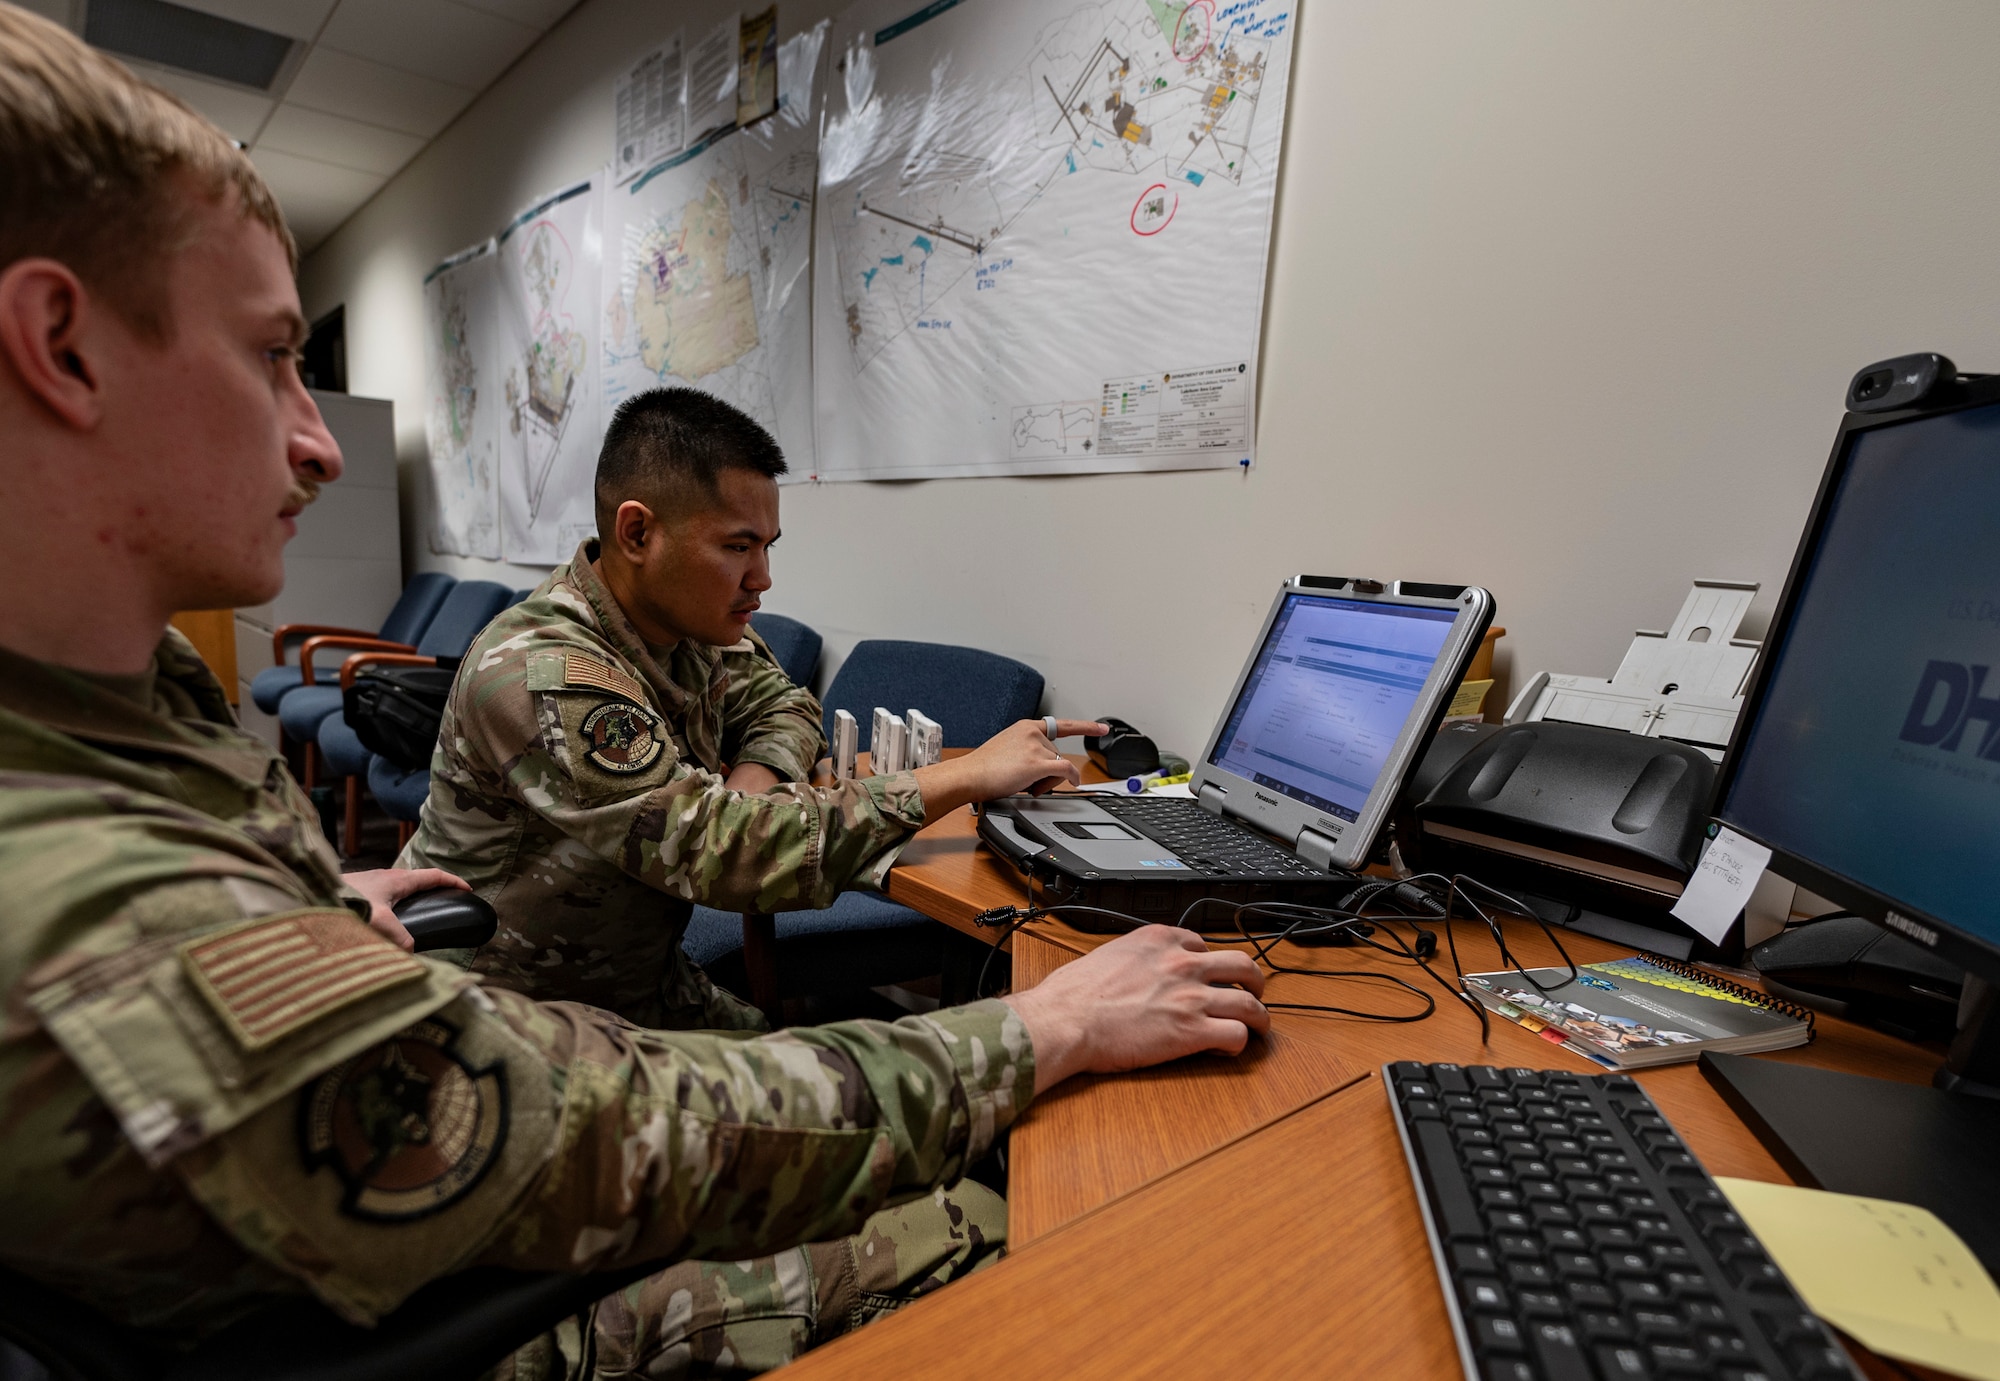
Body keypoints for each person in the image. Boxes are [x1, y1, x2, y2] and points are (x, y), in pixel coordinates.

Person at [0, 8, 1270, 1376]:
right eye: (269, 357)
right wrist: (1036, 1016)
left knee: (901, 1081)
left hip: (568, 1023)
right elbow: (621, 1089)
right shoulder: (542, 669)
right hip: (508, 1144)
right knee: (1011, 1209)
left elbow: (765, 694)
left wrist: (313, 900)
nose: (315, 441)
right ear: (63, 344)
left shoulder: (132, 692)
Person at [400, 386, 1087, 1029]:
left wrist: (751, 782)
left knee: (839, 1080)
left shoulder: (689, 628)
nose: (762, 579)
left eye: (766, 546)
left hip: (637, 981)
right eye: (737, 546)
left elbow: (788, 705)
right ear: (637, 534)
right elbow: (725, 858)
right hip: (508, 1012)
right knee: (850, 1100)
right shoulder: (547, 672)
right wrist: (964, 776)